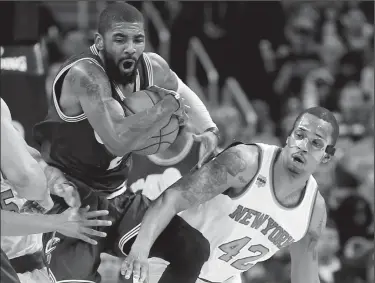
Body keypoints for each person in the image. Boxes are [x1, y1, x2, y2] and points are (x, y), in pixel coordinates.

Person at [33, 2, 219, 282]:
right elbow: (117, 140)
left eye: (138, 39)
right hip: (70, 198)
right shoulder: (85, 76)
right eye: (120, 39)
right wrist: (166, 107)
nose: (130, 47)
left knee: (193, 249)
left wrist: (210, 129)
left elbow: (178, 86)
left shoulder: (150, 66)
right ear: (99, 41)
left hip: (119, 198)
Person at [122, 106, 339, 283]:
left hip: (225, 278)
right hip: (171, 266)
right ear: (289, 137)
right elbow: (172, 198)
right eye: (300, 135)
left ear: (327, 157)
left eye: (316, 143)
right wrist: (140, 248)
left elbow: (305, 273)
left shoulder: (314, 209)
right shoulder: (245, 163)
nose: (303, 145)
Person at [1, 98, 112, 283]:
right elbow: (26, 177)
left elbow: (31, 157)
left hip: (42, 260)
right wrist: (56, 222)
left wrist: (56, 181)